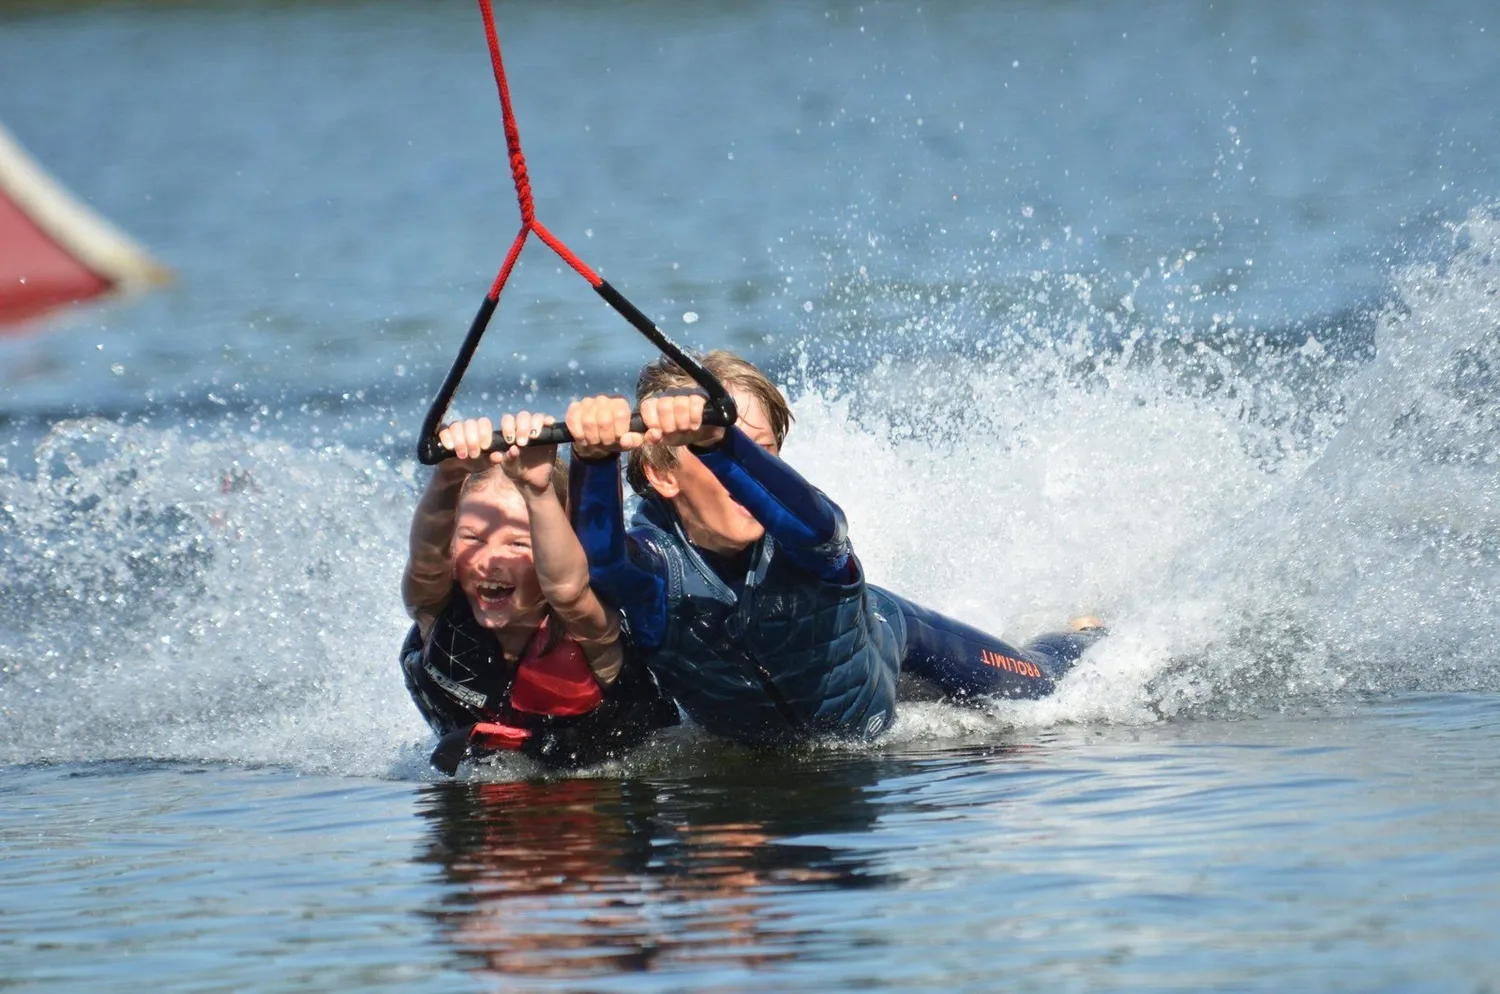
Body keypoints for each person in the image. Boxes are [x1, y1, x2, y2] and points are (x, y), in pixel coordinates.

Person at [564, 351, 1106, 748]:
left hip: (889, 636)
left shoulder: (808, 535)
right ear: (662, 473)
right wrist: (591, 458)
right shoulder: (656, 571)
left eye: (763, 454)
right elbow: (602, 562)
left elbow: (816, 525)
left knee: (1047, 687)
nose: (743, 475)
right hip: (792, 733)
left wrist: (718, 441)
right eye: (714, 452)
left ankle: (1085, 632)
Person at [400, 414, 678, 774]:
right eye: (472, 539)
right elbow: (425, 565)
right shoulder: (435, 608)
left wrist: (537, 490)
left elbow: (566, 590)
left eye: (519, 543)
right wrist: (449, 473)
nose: (491, 560)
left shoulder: (588, 626)